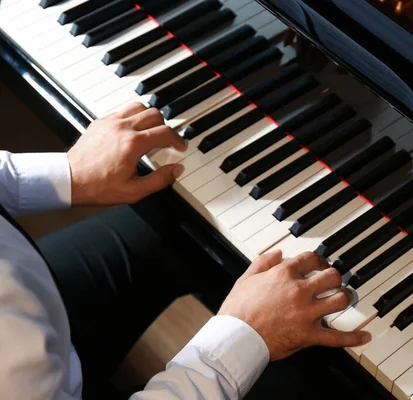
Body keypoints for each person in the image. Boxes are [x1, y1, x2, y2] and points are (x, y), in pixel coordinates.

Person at [0, 102, 371, 400]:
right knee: (320, 373)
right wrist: (244, 335)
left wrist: (49, 176)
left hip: (26, 313)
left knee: (171, 228)